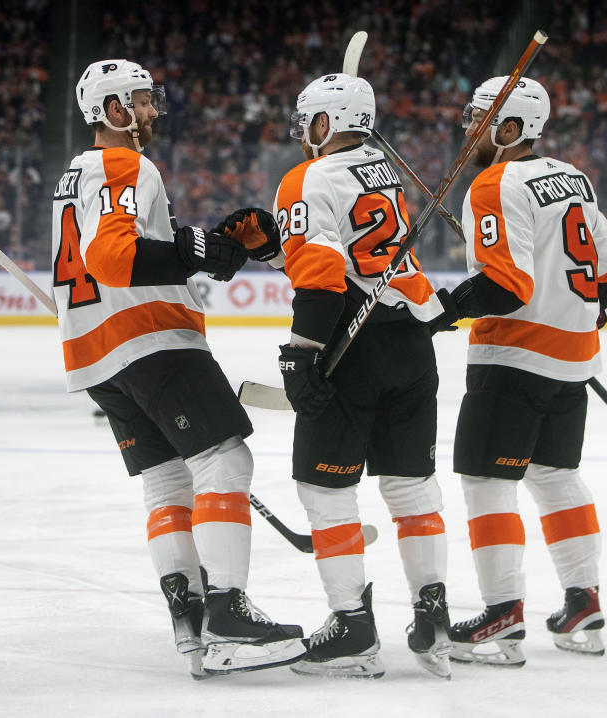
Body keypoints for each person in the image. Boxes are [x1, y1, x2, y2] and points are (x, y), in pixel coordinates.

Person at [52, 58, 302, 678]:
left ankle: (189, 618)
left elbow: (109, 251)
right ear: (112, 110)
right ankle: (229, 617)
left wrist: (203, 245)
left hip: (98, 353)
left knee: (167, 482)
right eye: (139, 101)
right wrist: (198, 251)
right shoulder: (123, 161)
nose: (151, 110)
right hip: (151, 335)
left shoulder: (74, 173)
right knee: (225, 458)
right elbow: (114, 259)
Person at [432, 76, 607, 666]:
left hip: (514, 358)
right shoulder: (572, 177)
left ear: (511, 127)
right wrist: (586, 311)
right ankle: (583, 602)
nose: (469, 129)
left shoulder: (493, 182)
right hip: (572, 361)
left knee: (486, 480)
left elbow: (506, 284)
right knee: (555, 475)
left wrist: (441, 310)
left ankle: (501, 614)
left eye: (479, 119)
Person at [270, 72, 453, 679]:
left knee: (325, 490)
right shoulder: (384, 170)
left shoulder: (307, 177)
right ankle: (434, 614)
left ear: (325, 122)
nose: (303, 132)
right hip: (411, 343)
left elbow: (321, 275)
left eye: (308, 120)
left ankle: (352, 627)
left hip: (352, 345)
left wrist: (302, 353)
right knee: (410, 487)